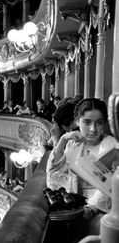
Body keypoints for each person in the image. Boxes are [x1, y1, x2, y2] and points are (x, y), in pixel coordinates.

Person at [46, 98, 117, 240]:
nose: (93, 129)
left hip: (102, 211)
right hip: (75, 206)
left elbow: (111, 186)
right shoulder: (73, 144)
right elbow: (53, 175)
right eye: (87, 122)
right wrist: (62, 140)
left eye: (99, 123)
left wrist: (91, 209)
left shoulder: (111, 146)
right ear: (77, 121)